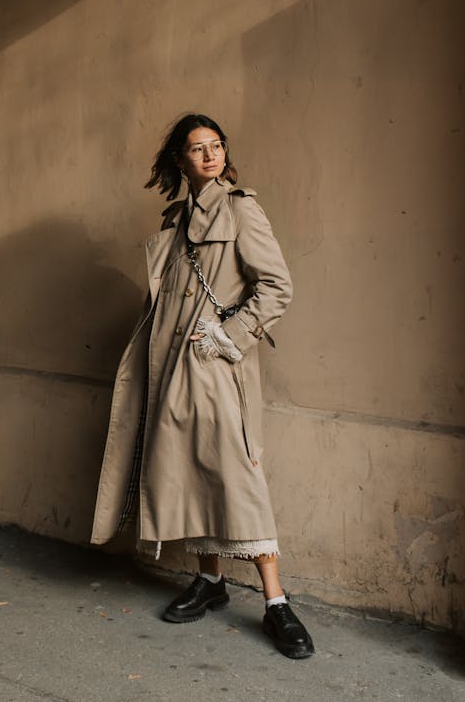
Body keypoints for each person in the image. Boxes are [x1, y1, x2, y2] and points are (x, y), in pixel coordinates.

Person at [89, 112, 314, 659]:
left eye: (217, 145)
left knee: (237, 474)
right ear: (180, 160)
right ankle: (211, 581)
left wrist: (226, 337)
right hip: (170, 367)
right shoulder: (175, 217)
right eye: (197, 148)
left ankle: (276, 602)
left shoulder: (241, 209)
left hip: (214, 365)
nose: (210, 155)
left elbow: (277, 286)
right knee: (190, 472)